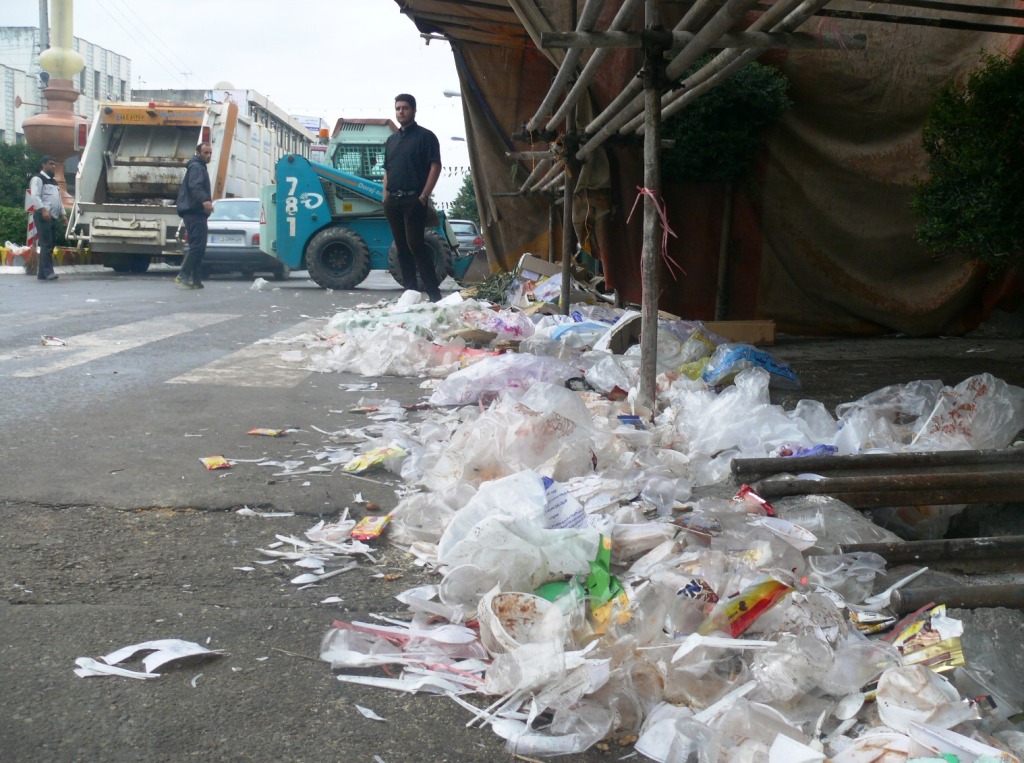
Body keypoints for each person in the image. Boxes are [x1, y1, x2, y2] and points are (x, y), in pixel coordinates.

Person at [382, 93, 443, 302]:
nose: (401, 112)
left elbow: (436, 165)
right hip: (393, 202)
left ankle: (434, 295)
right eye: (398, 108)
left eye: (405, 108)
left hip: (414, 200)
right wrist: (385, 196)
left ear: (414, 110)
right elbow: (387, 170)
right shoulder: (391, 141)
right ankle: (410, 295)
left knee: (416, 245)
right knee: (401, 248)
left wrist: (424, 196)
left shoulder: (426, 137)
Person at [174, 141, 214, 289]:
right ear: (198, 153)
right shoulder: (197, 167)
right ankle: (183, 275)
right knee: (197, 245)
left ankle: (196, 281)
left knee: (198, 246)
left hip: (194, 212)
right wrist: (205, 200)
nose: (208, 155)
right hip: (194, 212)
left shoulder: (198, 166)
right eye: (206, 153)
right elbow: (195, 186)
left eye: (210, 153)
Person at [28, 155, 66, 281]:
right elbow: (35, 196)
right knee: (47, 244)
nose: (54, 166)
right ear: (43, 165)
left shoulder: (54, 182)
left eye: (54, 164)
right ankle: (48, 272)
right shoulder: (38, 179)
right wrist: (43, 210)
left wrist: (63, 215)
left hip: (53, 217)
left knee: (51, 244)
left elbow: (59, 200)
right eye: (51, 164)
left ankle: (42, 273)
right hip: (43, 215)